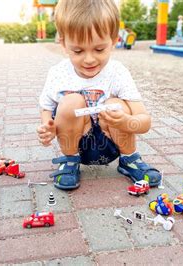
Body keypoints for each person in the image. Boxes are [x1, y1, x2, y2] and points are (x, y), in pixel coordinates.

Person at [37, 0, 162, 190]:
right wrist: (48, 127)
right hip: (77, 143)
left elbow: (144, 121)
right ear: (63, 43)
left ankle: (130, 161)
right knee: (71, 102)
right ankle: (69, 163)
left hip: (111, 142)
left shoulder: (118, 72)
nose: (89, 59)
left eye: (99, 49)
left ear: (113, 40)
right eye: (78, 51)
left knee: (117, 104)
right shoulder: (58, 73)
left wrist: (125, 121)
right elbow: (46, 107)